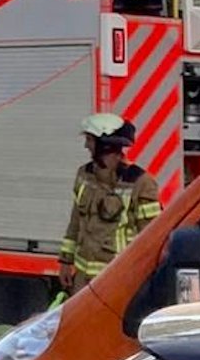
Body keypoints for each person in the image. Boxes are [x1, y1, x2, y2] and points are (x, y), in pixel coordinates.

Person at [59, 112, 162, 294]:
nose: (86, 146)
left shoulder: (141, 183)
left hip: (118, 279)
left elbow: (152, 236)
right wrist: (66, 261)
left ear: (105, 145)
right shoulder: (84, 175)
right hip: (83, 282)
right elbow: (75, 222)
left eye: (90, 140)